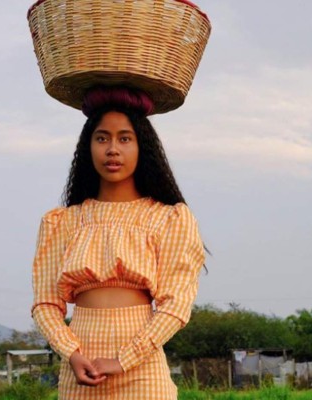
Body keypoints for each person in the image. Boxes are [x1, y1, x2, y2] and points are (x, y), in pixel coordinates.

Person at [31, 86, 205, 399]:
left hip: (142, 370)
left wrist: (123, 360)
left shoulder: (169, 218)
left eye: (124, 138)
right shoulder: (61, 222)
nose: (113, 149)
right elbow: (45, 304)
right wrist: (71, 353)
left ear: (142, 147)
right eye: (102, 138)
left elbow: (175, 305)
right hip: (79, 369)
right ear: (88, 147)